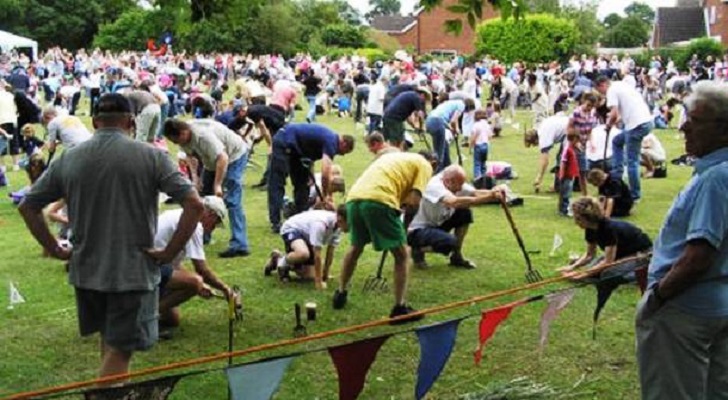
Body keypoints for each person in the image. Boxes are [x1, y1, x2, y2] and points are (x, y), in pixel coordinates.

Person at [18, 93, 203, 378]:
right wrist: (169, 253)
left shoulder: (71, 159)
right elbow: (195, 203)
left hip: (87, 271)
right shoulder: (152, 156)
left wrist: (54, 247)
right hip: (131, 272)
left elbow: (29, 206)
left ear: (94, 121)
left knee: (111, 339)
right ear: (130, 122)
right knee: (121, 349)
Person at [636, 81, 728, 399]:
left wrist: (659, 296)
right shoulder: (713, 171)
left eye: (695, 120)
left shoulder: (716, 178)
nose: (684, 126)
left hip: (685, 310)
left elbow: (699, 255)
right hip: (715, 306)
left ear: (724, 129)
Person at [333, 151, 435, 323]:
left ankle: (340, 292)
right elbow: (413, 202)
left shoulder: (396, 158)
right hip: (380, 200)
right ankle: (400, 308)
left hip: (354, 199)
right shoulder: (425, 165)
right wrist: (403, 225)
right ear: (433, 162)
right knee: (402, 255)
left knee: (355, 248)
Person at [163, 118, 251, 258]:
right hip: (211, 161)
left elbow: (223, 159)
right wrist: (196, 179)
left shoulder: (203, 136)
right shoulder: (183, 139)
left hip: (234, 156)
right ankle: (203, 236)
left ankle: (240, 244)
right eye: (174, 142)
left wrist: (218, 184)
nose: (177, 144)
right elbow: (191, 158)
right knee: (202, 201)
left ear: (184, 132)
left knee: (232, 200)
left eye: (177, 140)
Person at [156, 196, 234, 334]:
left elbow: (174, 264)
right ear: (210, 213)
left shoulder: (182, 214)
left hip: (151, 266)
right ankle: (144, 318)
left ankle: (146, 309)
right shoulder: (194, 224)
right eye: (215, 223)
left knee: (173, 320)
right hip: (145, 268)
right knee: (195, 282)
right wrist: (225, 289)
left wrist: (201, 285)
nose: (213, 228)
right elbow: (202, 270)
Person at [407, 165, 502, 269]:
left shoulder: (453, 180)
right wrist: (489, 197)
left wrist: (494, 192)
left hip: (437, 223)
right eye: (459, 185)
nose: (461, 188)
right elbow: (453, 202)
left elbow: (475, 193)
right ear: (448, 181)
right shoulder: (434, 186)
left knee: (465, 213)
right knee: (449, 242)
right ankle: (416, 249)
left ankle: (456, 257)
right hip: (418, 230)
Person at [267, 123, 355, 233]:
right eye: (345, 151)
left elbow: (310, 156)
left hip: (297, 150)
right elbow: (325, 173)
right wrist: (325, 195)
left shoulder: (328, 140)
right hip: (284, 141)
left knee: (303, 185)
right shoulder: (332, 141)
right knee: (277, 182)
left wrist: (310, 175)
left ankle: (299, 218)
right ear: (344, 143)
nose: (342, 154)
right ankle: (275, 222)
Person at [558, 197, 651, 280]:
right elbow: (589, 255)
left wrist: (583, 275)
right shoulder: (590, 228)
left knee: (607, 274)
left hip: (641, 254)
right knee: (594, 269)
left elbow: (608, 262)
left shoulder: (608, 229)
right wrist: (573, 267)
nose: (575, 222)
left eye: (578, 219)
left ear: (588, 217)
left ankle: (645, 272)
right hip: (620, 254)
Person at [595, 76, 654, 201]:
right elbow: (624, 112)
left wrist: (608, 125)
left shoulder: (611, 90)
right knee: (617, 141)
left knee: (632, 161)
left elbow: (614, 113)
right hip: (646, 121)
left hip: (636, 125)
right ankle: (617, 174)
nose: (603, 94)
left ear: (602, 85)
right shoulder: (621, 84)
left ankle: (634, 195)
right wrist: (617, 120)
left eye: (601, 91)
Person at [264, 205, 348, 290]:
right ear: (340, 219)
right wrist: (318, 282)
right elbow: (317, 254)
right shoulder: (320, 224)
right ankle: (282, 263)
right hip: (292, 228)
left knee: (309, 275)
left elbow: (330, 251)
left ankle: (277, 259)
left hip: (308, 237)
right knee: (303, 253)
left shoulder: (338, 227)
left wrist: (325, 274)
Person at [425, 98, 474, 172]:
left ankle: (447, 168)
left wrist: (452, 129)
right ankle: (438, 173)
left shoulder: (452, 103)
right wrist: (456, 129)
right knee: (439, 153)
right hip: (437, 122)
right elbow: (453, 121)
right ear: (469, 106)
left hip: (430, 122)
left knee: (445, 147)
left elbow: (445, 121)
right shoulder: (461, 105)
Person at [524, 114, 570, 192]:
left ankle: (559, 186)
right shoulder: (542, 126)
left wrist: (539, 177)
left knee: (562, 159)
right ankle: (562, 185)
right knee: (562, 157)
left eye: (533, 144)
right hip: (569, 125)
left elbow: (545, 161)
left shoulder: (543, 136)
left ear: (535, 140)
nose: (536, 145)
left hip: (570, 130)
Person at [567, 92, 599, 196]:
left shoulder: (592, 113)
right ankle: (570, 195)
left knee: (582, 171)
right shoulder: (576, 113)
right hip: (574, 144)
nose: (589, 108)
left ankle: (585, 195)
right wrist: (575, 142)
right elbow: (569, 129)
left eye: (592, 106)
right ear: (583, 101)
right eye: (588, 105)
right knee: (573, 171)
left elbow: (589, 131)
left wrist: (592, 143)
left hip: (583, 145)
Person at [558, 132, 580, 216]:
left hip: (571, 175)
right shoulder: (567, 149)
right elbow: (563, 162)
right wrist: (562, 174)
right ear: (573, 139)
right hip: (567, 175)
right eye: (577, 140)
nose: (578, 142)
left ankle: (564, 209)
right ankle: (563, 210)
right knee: (565, 193)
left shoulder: (572, 148)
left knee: (568, 192)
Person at [469, 109, 493, 181]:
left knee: (477, 163)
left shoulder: (476, 125)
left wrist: (470, 147)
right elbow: (490, 136)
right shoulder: (487, 125)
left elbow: (473, 138)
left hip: (478, 145)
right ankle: (484, 177)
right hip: (485, 145)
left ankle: (477, 178)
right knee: (483, 163)